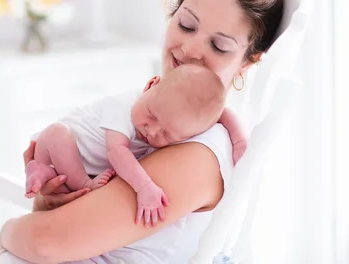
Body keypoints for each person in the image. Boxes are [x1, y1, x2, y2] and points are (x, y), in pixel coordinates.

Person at [0, 0, 284, 264]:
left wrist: (4, 234)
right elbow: (55, 233)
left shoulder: (199, 154)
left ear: (248, 61)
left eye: (219, 46)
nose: (189, 50)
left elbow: (46, 243)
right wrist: (50, 198)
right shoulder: (154, 110)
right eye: (186, 25)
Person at [25, 64, 227, 227]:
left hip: (66, 172)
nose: (152, 131)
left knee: (59, 188)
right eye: (151, 115)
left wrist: (239, 140)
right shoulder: (122, 107)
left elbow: (219, 115)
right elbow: (116, 152)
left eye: (167, 134)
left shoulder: (179, 128)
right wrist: (145, 187)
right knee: (58, 131)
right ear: (149, 85)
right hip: (53, 146)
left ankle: (42, 173)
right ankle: (72, 180)